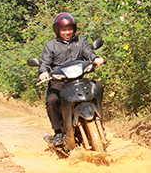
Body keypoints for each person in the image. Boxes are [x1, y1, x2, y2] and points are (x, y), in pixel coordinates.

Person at [38, 12, 104, 146]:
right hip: (59, 83)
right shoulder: (50, 46)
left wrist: (95, 58)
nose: (67, 32)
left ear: (74, 29)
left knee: (99, 87)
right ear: (57, 31)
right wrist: (43, 72)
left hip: (79, 80)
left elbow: (89, 53)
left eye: (69, 29)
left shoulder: (80, 41)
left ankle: (98, 120)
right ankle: (58, 132)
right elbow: (44, 63)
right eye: (63, 30)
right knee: (52, 100)